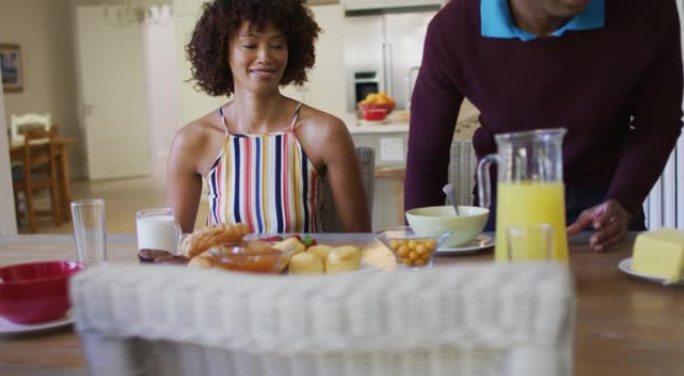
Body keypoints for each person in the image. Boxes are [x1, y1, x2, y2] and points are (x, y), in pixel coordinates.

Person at [405, 0, 683, 252]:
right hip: (509, 206)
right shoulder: (455, 29)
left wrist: (624, 200)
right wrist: (418, 251)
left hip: (607, 204)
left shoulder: (648, 10)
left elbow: (659, 121)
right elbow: (427, 152)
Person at [167, 0, 370, 234]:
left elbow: (361, 239)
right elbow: (174, 248)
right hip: (223, 271)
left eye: (277, 45)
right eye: (250, 44)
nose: (265, 57)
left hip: (305, 270)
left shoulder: (326, 132)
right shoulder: (192, 140)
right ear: (222, 50)